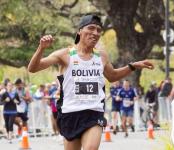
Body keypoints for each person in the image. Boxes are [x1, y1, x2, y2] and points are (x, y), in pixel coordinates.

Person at [28, 14, 154, 150]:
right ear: (79, 31)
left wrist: (133, 66)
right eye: (91, 28)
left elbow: (112, 76)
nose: (95, 33)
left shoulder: (101, 56)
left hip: (94, 111)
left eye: (99, 30)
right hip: (70, 112)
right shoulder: (65, 54)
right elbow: (33, 68)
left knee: (90, 148)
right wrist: (41, 48)